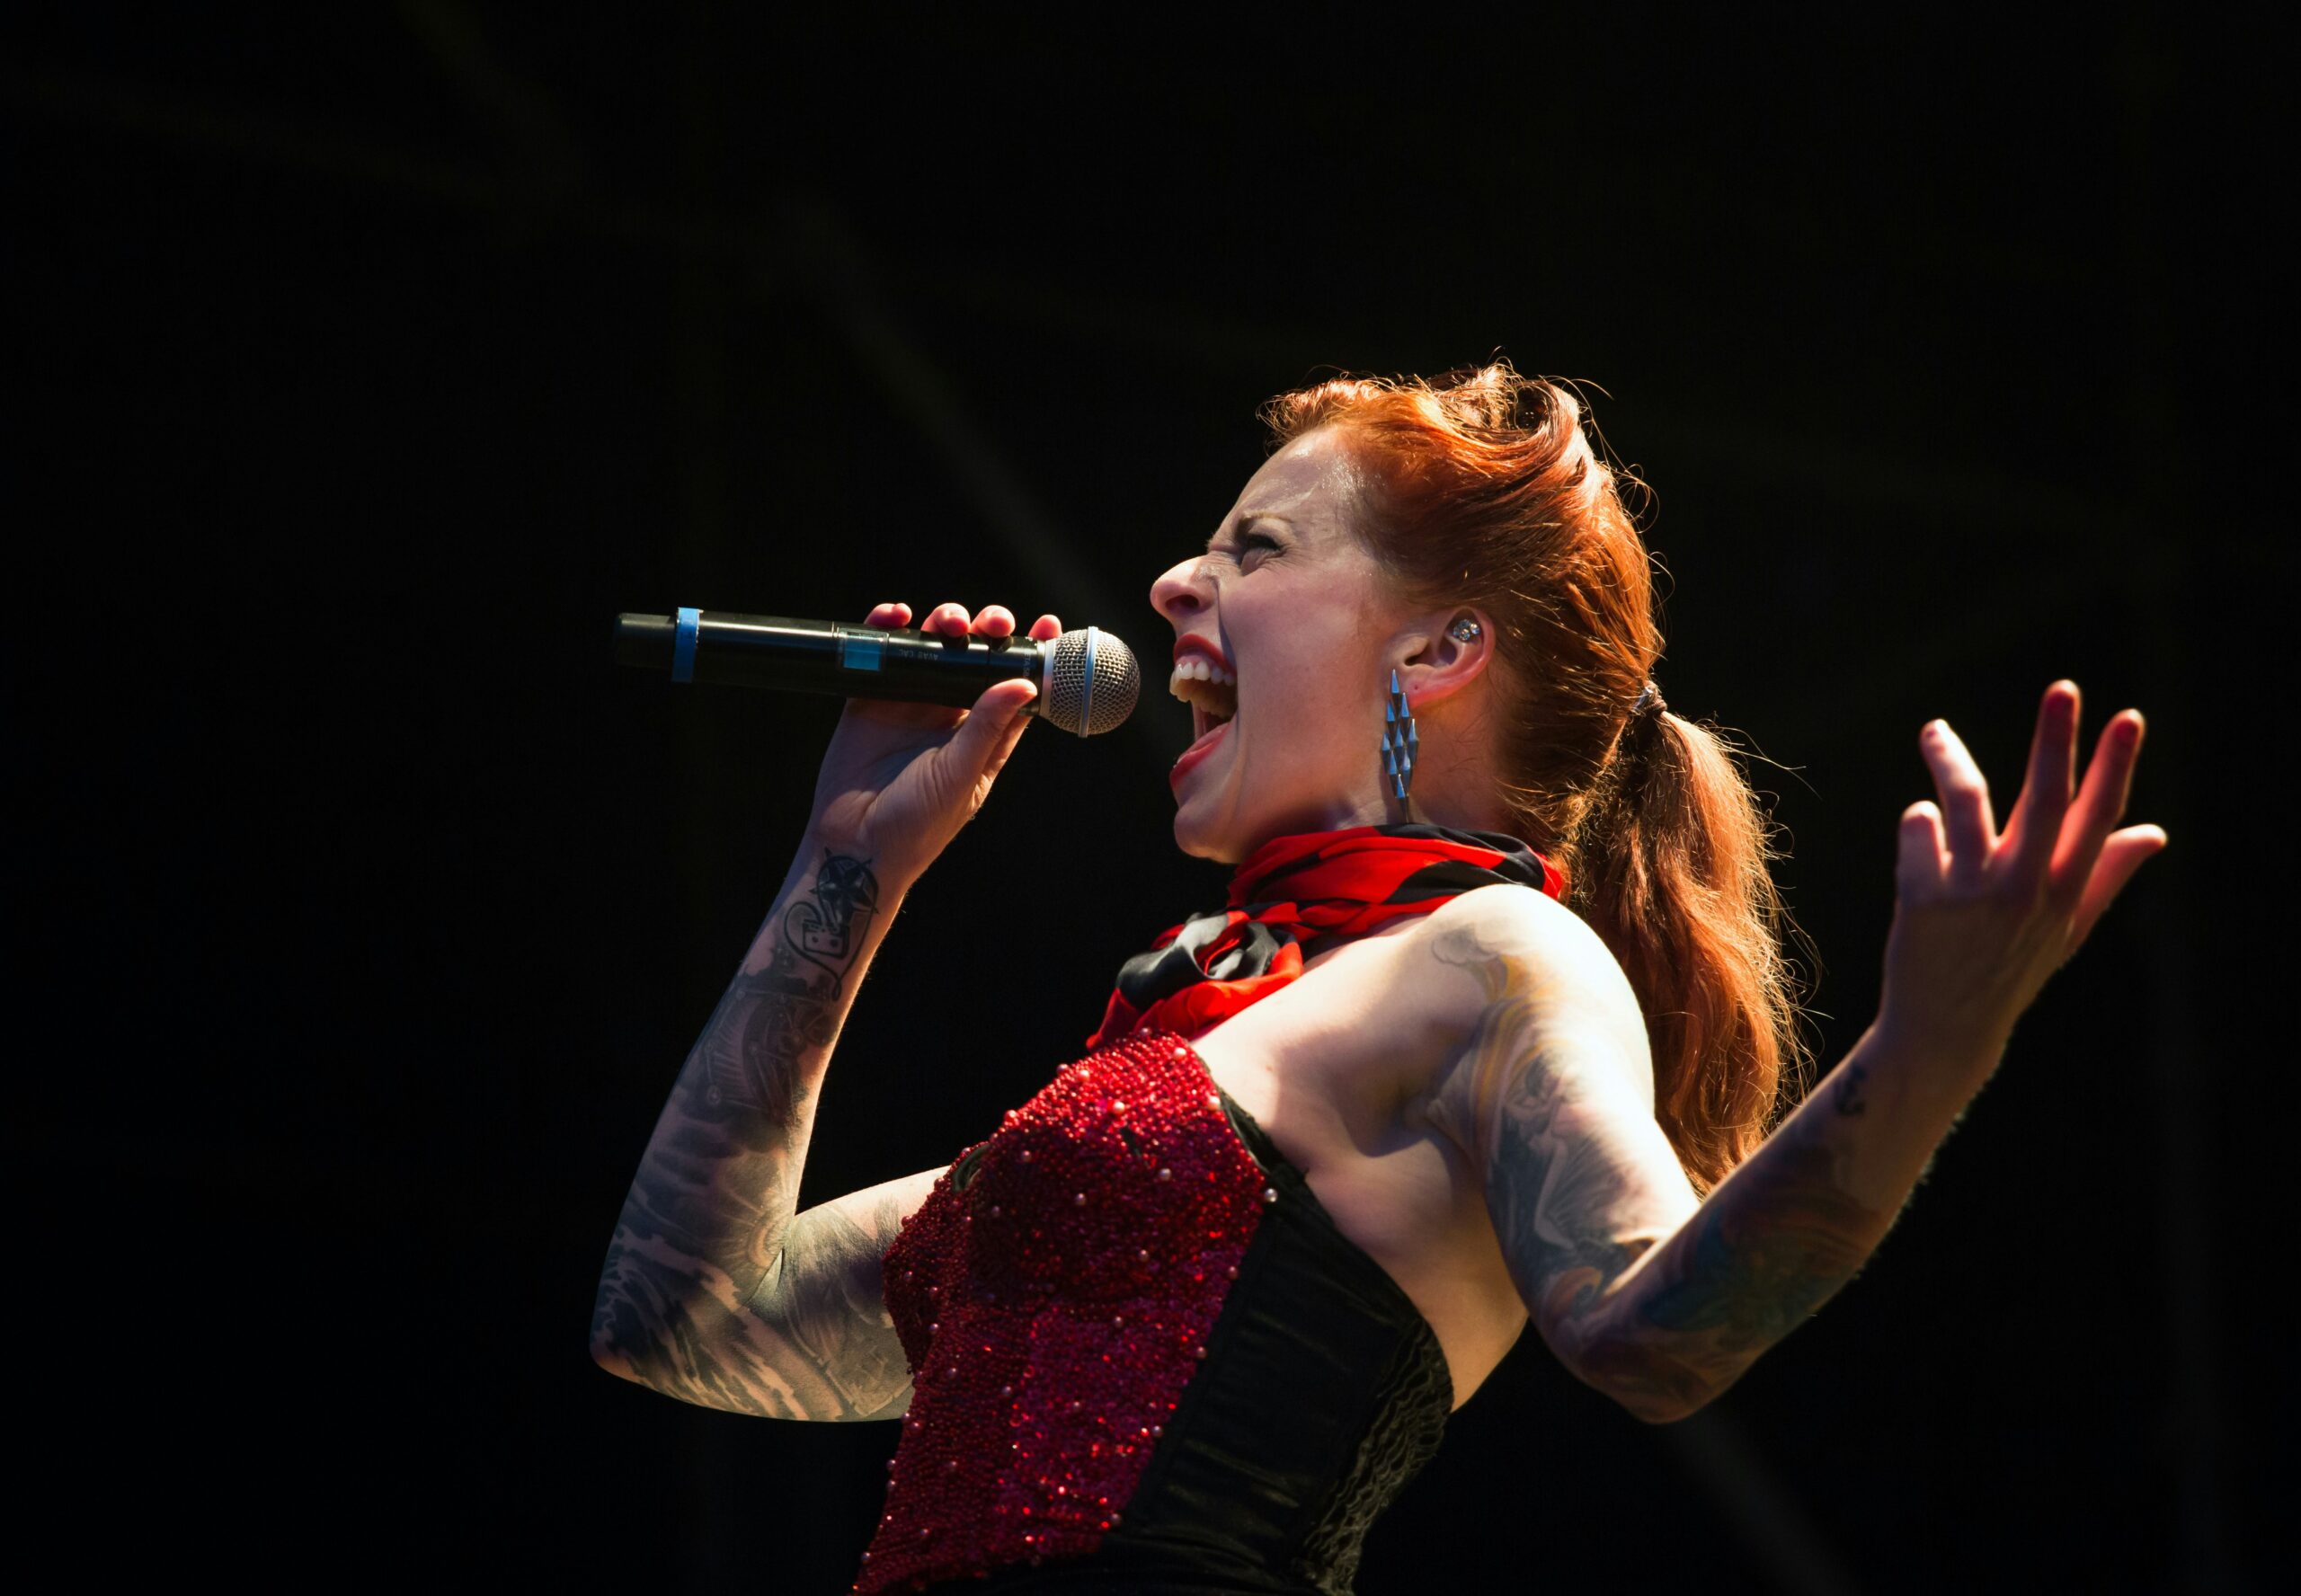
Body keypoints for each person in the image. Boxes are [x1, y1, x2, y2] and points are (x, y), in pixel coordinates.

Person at [590, 363, 2165, 1595]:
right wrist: (846, 869)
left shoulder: (1498, 959)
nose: (1172, 590)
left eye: (1253, 549)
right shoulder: (1195, 1017)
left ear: (1436, 654)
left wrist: (1933, 1049)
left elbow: (1654, 1332)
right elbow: (680, 1317)